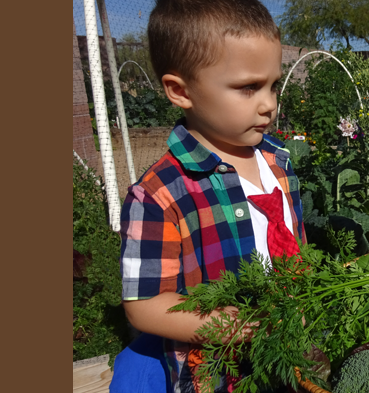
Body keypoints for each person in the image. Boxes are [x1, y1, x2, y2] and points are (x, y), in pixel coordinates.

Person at [109, 1, 305, 392]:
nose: (268, 104)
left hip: (293, 352)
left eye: (273, 85)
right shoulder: (159, 196)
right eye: (248, 87)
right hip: (221, 374)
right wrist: (234, 325)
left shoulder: (278, 162)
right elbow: (144, 304)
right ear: (180, 91)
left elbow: (296, 249)